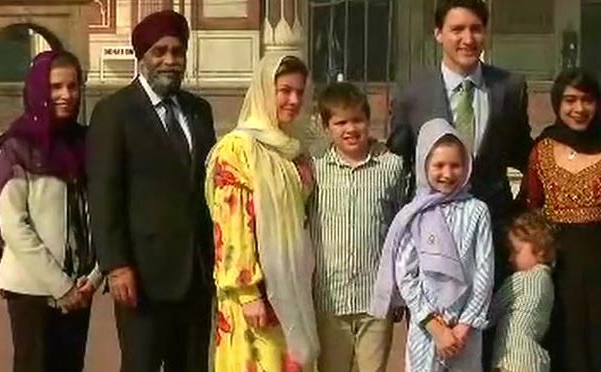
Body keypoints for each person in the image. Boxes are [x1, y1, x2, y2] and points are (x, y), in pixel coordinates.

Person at [86, 10, 216, 372]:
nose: (170, 61)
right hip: (141, 276)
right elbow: (103, 193)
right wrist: (116, 265)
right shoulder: (115, 113)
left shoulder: (198, 111)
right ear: (142, 56)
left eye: (178, 52)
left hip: (195, 273)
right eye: (160, 52)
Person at [0, 50, 101, 372]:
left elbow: (98, 212)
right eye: (56, 87)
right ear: (38, 90)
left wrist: (94, 276)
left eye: (73, 86)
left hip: (80, 285)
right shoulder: (17, 147)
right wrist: (61, 286)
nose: (66, 95)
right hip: (32, 288)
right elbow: (14, 226)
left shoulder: (85, 143)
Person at [387, 0, 532, 283]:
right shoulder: (413, 93)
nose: (468, 39)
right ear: (438, 33)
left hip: (494, 235)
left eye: (476, 29)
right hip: (432, 240)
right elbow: (398, 161)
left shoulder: (509, 87)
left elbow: (525, 155)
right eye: (457, 29)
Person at [205, 54, 319, 372]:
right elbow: (231, 226)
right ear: (263, 90)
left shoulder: (295, 151)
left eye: (299, 91)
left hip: (291, 286)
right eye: (284, 90)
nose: (293, 100)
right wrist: (247, 292)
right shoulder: (238, 149)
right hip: (255, 295)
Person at [371, 118, 494, 372]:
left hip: (466, 332)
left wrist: (463, 326)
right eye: (438, 165)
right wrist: (434, 325)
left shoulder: (476, 211)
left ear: (467, 166)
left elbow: (484, 271)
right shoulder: (414, 214)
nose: (447, 174)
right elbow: (405, 273)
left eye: (455, 165)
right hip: (426, 328)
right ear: (423, 165)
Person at [308, 82, 407, 372]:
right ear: (327, 127)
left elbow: (399, 232)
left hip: (375, 299)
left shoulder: (391, 166)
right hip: (329, 298)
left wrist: (398, 291)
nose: (350, 129)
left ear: (368, 120)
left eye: (357, 120)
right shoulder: (315, 168)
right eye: (340, 122)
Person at [520, 67, 601, 372]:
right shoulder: (542, 150)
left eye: (587, 100)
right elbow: (530, 207)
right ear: (557, 103)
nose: (579, 109)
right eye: (570, 100)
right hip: (557, 276)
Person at [489, 211, 555, 372]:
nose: (510, 258)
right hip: (536, 362)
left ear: (539, 250)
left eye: (516, 251)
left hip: (513, 360)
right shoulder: (547, 282)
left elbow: (489, 314)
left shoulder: (520, 280)